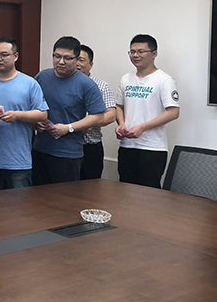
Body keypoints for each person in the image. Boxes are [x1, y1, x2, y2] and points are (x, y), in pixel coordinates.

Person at [0, 37, 48, 191]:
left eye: (4, 55)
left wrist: (17, 115)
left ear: (16, 56)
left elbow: (42, 114)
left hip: (18, 162)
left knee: (19, 205)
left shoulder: (29, 83)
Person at [32, 36, 106, 185]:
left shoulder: (86, 84)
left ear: (77, 59)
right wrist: (35, 122)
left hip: (67, 153)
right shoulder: (42, 76)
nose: (61, 62)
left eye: (67, 58)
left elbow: (98, 116)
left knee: (64, 197)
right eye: (57, 56)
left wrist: (68, 128)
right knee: (37, 196)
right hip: (40, 148)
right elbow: (32, 105)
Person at [116, 34, 179, 188]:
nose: (135, 55)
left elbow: (173, 112)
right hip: (127, 146)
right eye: (132, 52)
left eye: (141, 51)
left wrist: (142, 127)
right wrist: (121, 124)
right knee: (124, 191)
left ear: (154, 54)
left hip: (152, 148)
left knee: (149, 194)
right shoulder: (126, 79)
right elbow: (119, 106)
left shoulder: (164, 80)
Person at [77, 44, 117, 180]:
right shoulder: (61, 83)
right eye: (74, 59)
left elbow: (111, 115)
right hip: (64, 146)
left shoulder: (101, 86)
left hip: (90, 147)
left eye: (81, 60)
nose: (77, 63)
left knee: (90, 188)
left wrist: (89, 123)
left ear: (91, 64)